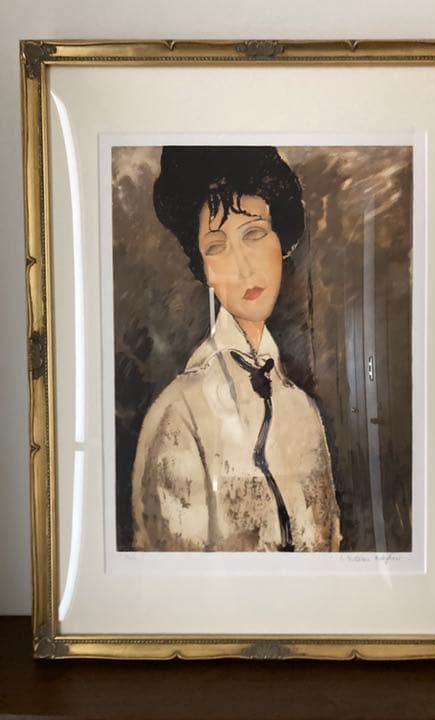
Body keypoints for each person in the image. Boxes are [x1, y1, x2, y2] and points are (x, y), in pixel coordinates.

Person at [131, 146, 341, 552]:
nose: (243, 267)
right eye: (217, 246)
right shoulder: (179, 415)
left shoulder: (304, 413)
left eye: (254, 234)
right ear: (204, 268)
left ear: (282, 241)